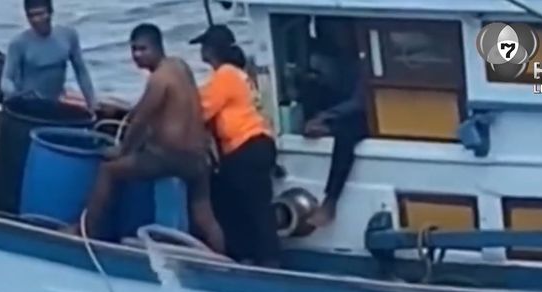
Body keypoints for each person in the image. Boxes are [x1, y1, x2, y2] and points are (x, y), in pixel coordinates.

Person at [68, 24, 224, 254]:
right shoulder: (179, 66)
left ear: (157, 48)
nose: (137, 55)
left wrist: (123, 151)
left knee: (108, 171)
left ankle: (86, 232)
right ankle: (222, 258)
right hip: (198, 159)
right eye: (134, 50)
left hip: (171, 158)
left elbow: (140, 122)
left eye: (143, 49)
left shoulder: (159, 78)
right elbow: (146, 108)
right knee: (204, 213)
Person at [193, 25, 279, 267]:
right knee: (252, 204)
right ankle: (258, 256)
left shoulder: (226, 75)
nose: (201, 50)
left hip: (246, 146)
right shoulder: (238, 74)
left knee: (248, 206)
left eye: (204, 46)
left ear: (212, 50)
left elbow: (202, 108)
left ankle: (263, 259)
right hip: (258, 144)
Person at [300, 18, 367, 228]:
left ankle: (330, 202)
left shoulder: (364, 60)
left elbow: (360, 101)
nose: (335, 35)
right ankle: (322, 128)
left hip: (367, 115)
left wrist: (327, 116)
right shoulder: (331, 58)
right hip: (338, 111)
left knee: (345, 137)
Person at [0, 0, 96, 110]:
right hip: (27, 105)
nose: (36, 20)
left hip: (54, 103)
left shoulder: (68, 36)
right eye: (31, 16)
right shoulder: (18, 43)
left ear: (50, 12)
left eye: (40, 14)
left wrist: (91, 103)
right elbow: (6, 80)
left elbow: (81, 72)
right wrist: (15, 94)